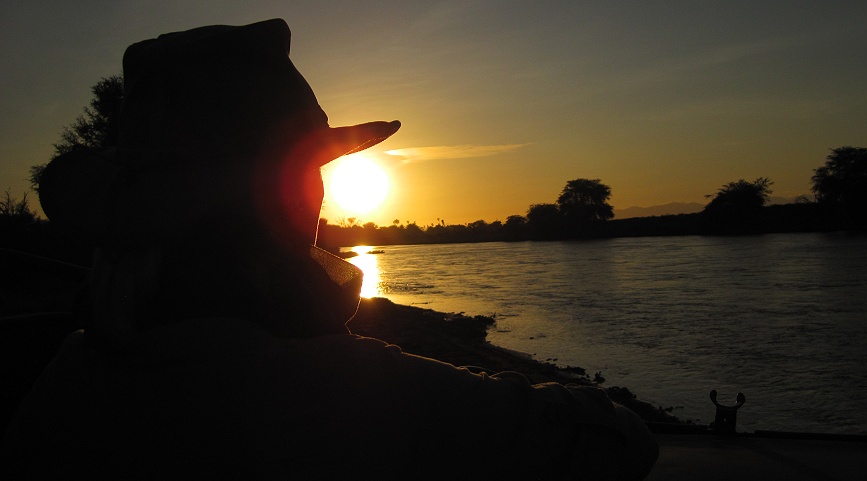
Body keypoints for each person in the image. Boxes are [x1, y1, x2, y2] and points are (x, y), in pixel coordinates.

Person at [1, 19, 657, 480]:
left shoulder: (71, 371)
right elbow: (617, 442)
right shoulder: (336, 388)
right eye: (308, 172)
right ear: (284, 196)